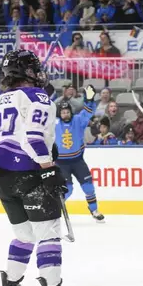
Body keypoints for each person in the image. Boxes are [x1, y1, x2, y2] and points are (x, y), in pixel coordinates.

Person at [0, 49, 80, 286]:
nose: (38, 71)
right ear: (23, 72)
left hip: (3, 177)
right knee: (49, 234)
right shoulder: (37, 96)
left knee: (25, 235)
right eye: (33, 68)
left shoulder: (1, 99)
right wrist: (49, 168)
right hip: (29, 173)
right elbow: (32, 138)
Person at [55, 86, 104, 222]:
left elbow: (89, 111)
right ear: (60, 113)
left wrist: (89, 99)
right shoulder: (54, 123)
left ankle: (94, 210)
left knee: (88, 187)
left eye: (67, 112)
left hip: (77, 161)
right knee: (67, 190)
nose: (65, 114)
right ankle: (54, 211)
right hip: (61, 163)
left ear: (71, 112)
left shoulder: (78, 120)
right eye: (63, 112)